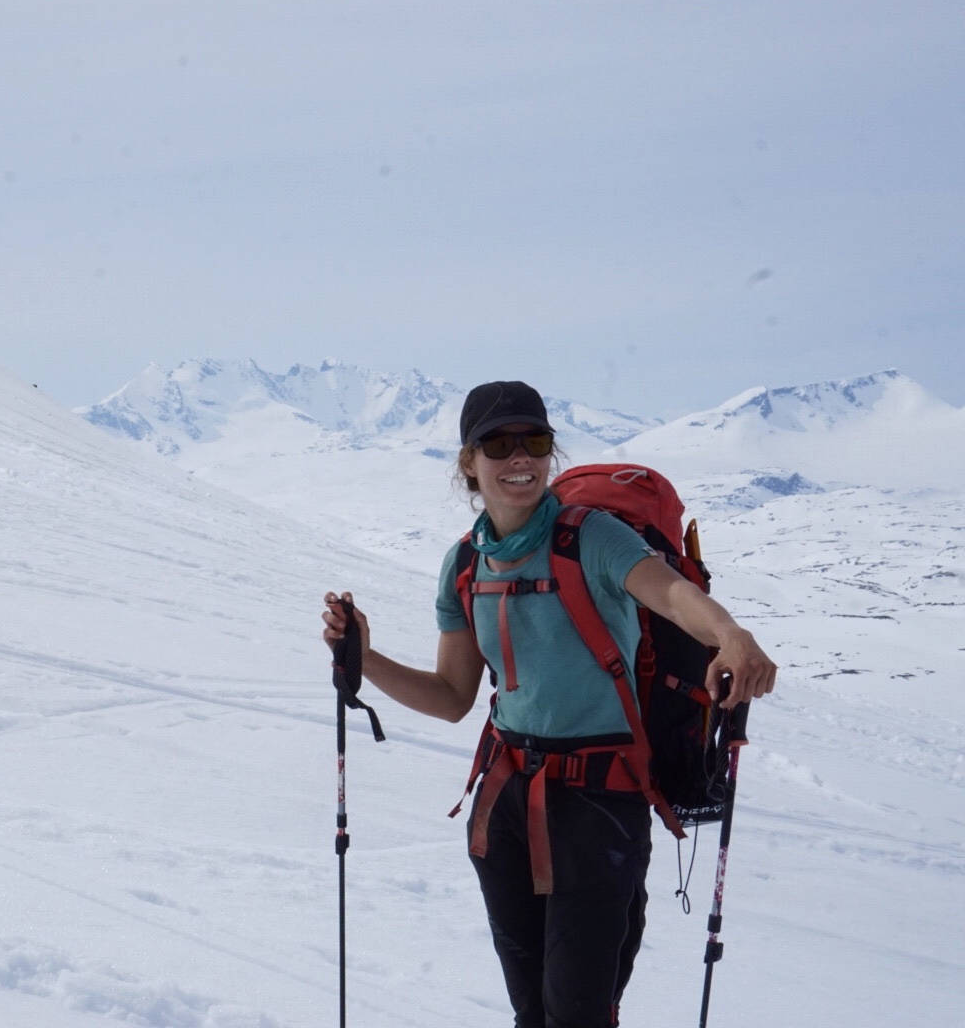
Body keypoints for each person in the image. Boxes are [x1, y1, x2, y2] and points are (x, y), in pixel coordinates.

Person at [321, 380, 777, 1028]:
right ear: (468, 463)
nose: (519, 458)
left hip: (600, 805)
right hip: (505, 803)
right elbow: (453, 697)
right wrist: (364, 659)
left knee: (578, 1013)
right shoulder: (463, 565)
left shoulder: (593, 536)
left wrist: (730, 634)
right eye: (498, 443)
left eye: (534, 441)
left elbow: (672, 597)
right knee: (532, 1010)